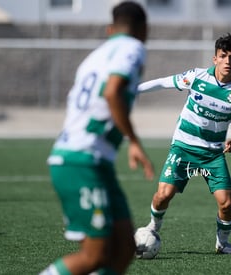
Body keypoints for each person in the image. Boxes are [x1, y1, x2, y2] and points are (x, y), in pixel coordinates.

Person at [40, 2, 155, 275]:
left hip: (93, 160)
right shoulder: (133, 48)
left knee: (125, 247)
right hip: (81, 160)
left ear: (110, 29)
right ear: (144, 30)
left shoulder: (95, 56)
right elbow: (112, 92)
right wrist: (134, 141)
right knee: (96, 255)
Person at [137, 33, 231, 255]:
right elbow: (164, 82)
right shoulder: (197, 77)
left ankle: (222, 244)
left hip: (213, 154)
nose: (227, 61)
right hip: (183, 146)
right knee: (163, 194)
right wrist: (135, 89)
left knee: (226, 204)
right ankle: (152, 228)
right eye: (223, 56)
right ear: (215, 59)